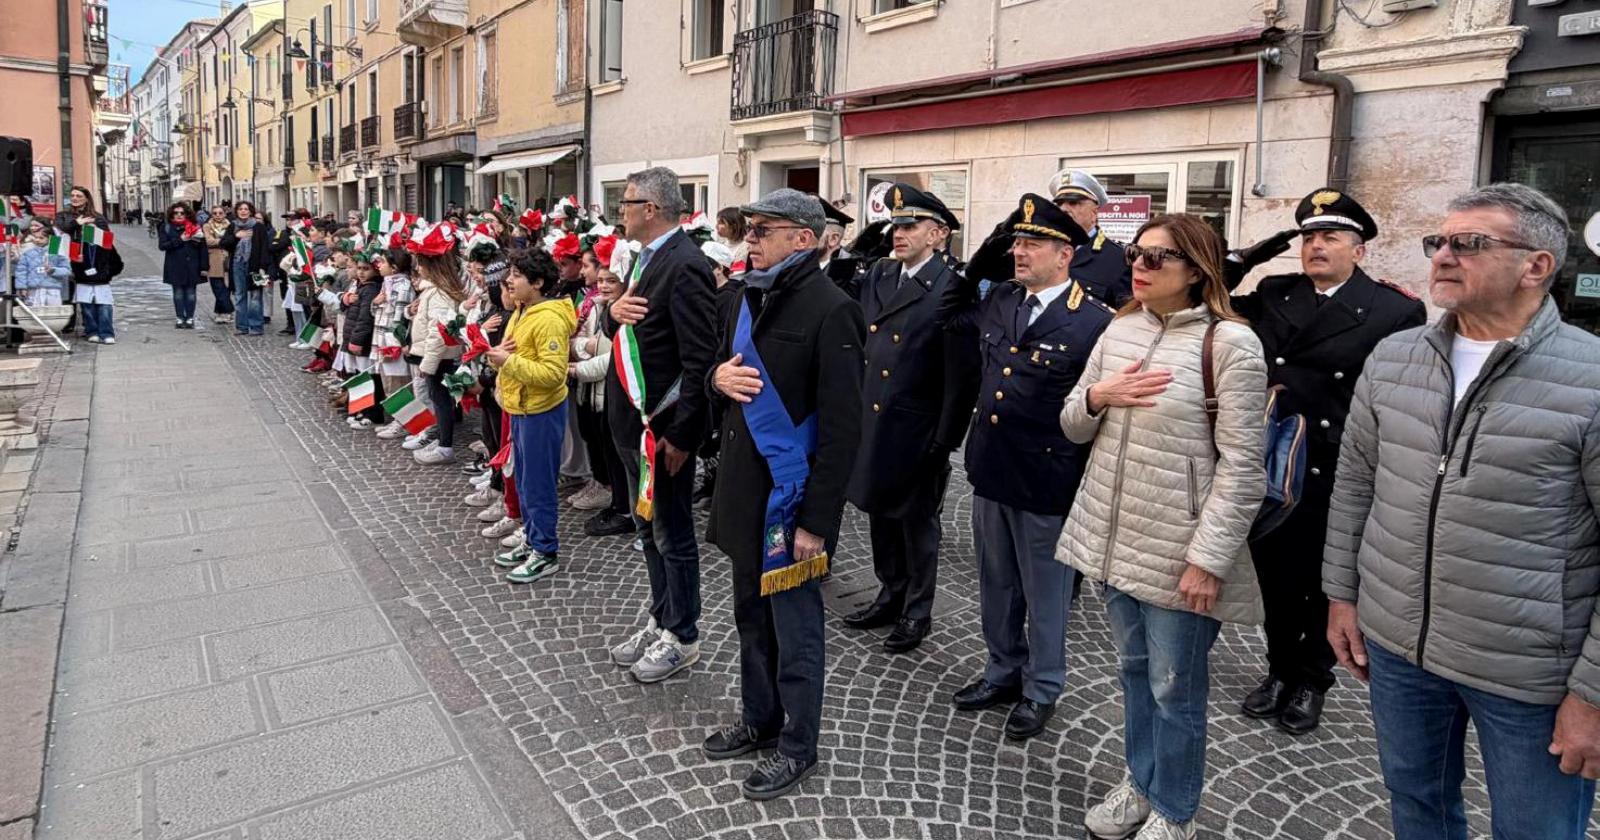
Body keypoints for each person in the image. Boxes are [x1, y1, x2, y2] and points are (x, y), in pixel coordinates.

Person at [1325, 183, 1600, 840]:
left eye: (1470, 244)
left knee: (1535, 831)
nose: (1443, 256)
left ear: (1537, 266)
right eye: (1439, 242)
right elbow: (1356, 484)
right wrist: (1342, 596)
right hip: (1398, 647)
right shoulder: (1396, 358)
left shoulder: (1590, 377)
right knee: (1417, 807)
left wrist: (1593, 693)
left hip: (1529, 669)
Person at [1060, 213, 1267, 840]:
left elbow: (1243, 468)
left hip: (1180, 548)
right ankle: (1139, 781)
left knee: (1175, 687)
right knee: (1132, 672)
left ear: (1198, 270)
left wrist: (1208, 559)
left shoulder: (1231, 344)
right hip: (1113, 534)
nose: (1140, 267)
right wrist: (1100, 398)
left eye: (1158, 258)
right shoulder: (1118, 329)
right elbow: (1071, 422)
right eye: (1136, 254)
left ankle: (1174, 810)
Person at [1227, 189, 1426, 736]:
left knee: (1323, 579)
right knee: (1273, 575)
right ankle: (1276, 669)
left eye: (1330, 237)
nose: (1316, 246)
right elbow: (1206, 295)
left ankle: (1312, 679)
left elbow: (1401, 398)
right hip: (1273, 462)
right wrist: (1246, 258)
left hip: (1336, 466)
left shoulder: (1395, 309)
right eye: (1309, 237)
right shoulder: (1274, 291)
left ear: (1357, 250)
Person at [704, 188, 864, 801]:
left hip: (792, 506)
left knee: (796, 632)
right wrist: (718, 379)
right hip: (746, 492)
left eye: (762, 229)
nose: (750, 237)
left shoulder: (833, 309)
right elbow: (719, 374)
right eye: (748, 228)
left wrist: (817, 522)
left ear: (803, 238)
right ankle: (760, 719)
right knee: (750, 617)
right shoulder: (743, 298)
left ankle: (798, 745)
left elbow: (845, 428)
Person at [937, 195, 1114, 740]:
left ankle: (1042, 687)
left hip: (1048, 478)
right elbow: (947, 312)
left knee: (1046, 594)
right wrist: (988, 248)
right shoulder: (1003, 302)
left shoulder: (1095, 321)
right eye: (1017, 242)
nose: (1019, 252)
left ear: (1065, 255)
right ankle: (1001, 670)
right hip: (990, 468)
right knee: (996, 584)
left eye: (1031, 243)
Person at [841, 183, 978, 655]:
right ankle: (889, 592)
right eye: (896, 225)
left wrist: (943, 440)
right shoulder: (881, 274)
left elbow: (961, 375)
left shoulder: (952, 286)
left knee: (918, 524)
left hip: (917, 426)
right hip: (874, 416)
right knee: (880, 512)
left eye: (910, 225)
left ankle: (917, 609)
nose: (898, 233)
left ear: (938, 234)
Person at [603, 167, 718, 684]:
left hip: (663, 431)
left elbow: (701, 361)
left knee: (673, 535)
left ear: (650, 209)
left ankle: (683, 634)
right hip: (633, 422)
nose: (620, 212)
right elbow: (624, 326)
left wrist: (684, 435)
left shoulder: (686, 264)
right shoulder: (645, 258)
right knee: (648, 531)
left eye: (625, 203)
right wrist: (610, 311)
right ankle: (661, 615)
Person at [488, 248, 578, 584]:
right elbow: (509, 353)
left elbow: (554, 374)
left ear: (537, 283)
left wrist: (506, 362)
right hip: (520, 407)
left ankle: (545, 551)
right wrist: (497, 359)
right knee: (524, 481)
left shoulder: (549, 319)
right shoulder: (523, 311)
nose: (508, 281)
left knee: (539, 485)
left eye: (516, 276)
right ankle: (532, 537)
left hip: (541, 411)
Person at [409, 223, 470, 464]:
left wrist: (428, 363)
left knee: (440, 400)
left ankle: (445, 446)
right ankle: (441, 439)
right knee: (439, 398)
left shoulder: (437, 293)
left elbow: (438, 330)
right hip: (438, 355)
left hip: (439, 356)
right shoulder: (434, 291)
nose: (417, 268)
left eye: (420, 264)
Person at [1050, 169, 1133, 306]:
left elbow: (1125, 317)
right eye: (1059, 203)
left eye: (1074, 203)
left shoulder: (1118, 259)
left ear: (1094, 212)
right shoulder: (1046, 251)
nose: (1064, 209)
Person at [59, 185, 120, 344]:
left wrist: (106, 270)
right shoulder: (64, 215)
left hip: (93, 261)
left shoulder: (97, 217)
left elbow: (107, 242)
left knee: (100, 302)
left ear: (86, 198)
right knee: (78, 300)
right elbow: (58, 235)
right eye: (72, 195)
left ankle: (101, 330)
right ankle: (80, 327)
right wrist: (76, 223)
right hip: (70, 259)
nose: (75, 198)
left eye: (79, 196)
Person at [219, 201, 275, 336]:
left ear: (250, 211)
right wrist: (236, 236)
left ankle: (256, 326)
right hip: (237, 265)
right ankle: (242, 326)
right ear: (236, 211)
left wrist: (263, 267)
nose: (243, 211)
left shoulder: (258, 227)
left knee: (256, 296)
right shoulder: (233, 226)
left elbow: (264, 249)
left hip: (256, 266)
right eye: (240, 209)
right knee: (239, 296)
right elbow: (224, 244)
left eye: (246, 209)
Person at [157, 202, 206, 328]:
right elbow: (162, 246)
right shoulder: (166, 227)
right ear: (171, 214)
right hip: (175, 265)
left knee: (191, 293)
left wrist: (204, 267)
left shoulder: (195, 227)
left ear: (187, 214)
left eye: (182, 213)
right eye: (176, 213)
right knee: (178, 293)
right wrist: (180, 239)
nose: (179, 215)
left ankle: (190, 318)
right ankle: (179, 317)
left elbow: (202, 248)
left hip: (192, 265)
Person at [10, 217, 71, 306]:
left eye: (36, 225)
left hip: (51, 286)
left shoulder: (54, 241)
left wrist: (53, 270)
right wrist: (14, 255)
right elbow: (21, 267)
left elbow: (62, 264)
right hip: (32, 285)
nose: (33, 228)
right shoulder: (25, 240)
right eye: (31, 225)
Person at [203, 206, 235, 323]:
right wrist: (224, 241)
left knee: (226, 288)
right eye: (215, 213)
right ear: (211, 214)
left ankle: (221, 312)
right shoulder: (207, 225)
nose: (217, 215)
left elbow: (233, 240)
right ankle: (228, 310)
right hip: (213, 259)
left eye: (220, 213)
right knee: (217, 287)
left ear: (224, 214)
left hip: (228, 258)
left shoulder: (230, 225)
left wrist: (221, 242)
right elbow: (208, 241)